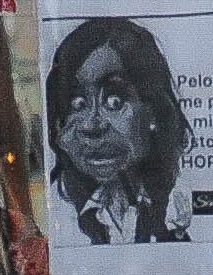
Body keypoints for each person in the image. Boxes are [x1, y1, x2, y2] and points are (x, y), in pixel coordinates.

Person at [46, 16, 194, 246]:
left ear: (154, 109)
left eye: (114, 102)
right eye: (78, 104)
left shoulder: (177, 207)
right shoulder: (55, 215)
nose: (92, 126)